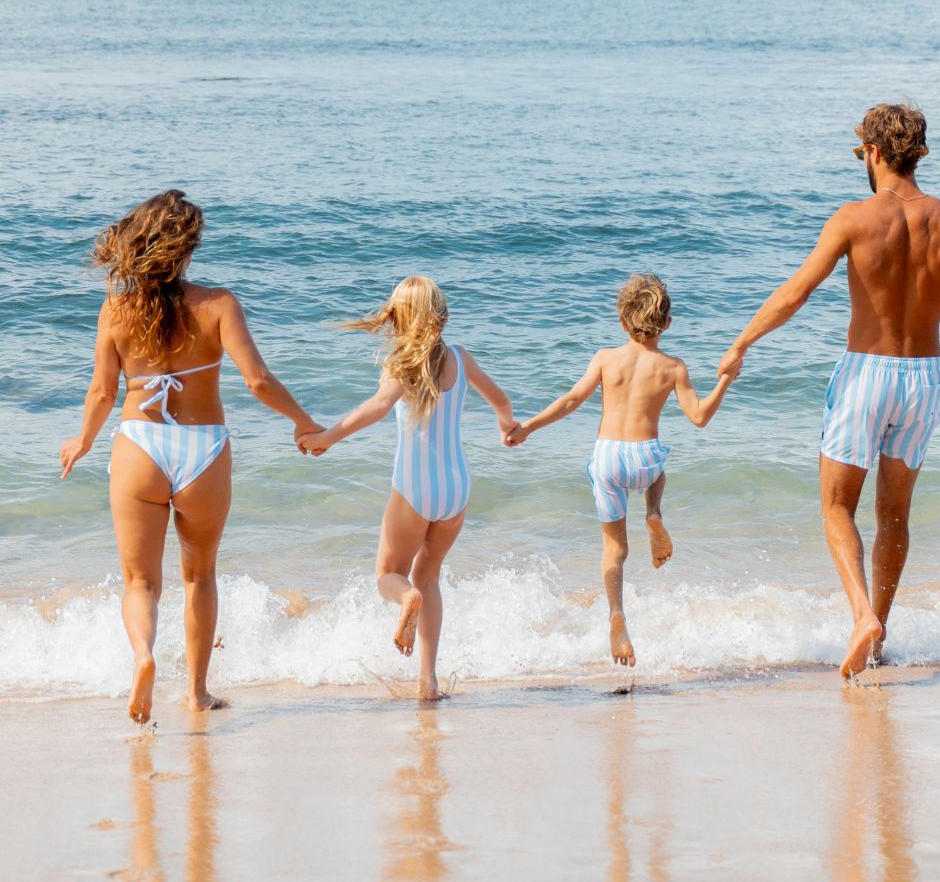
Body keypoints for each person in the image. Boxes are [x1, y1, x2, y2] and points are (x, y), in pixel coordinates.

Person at [718, 104, 940, 679]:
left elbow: (795, 293)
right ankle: (877, 637)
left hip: (866, 375)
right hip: (923, 380)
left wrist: (741, 343)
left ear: (873, 154)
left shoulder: (853, 218)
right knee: (895, 515)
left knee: (836, 506)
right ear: (917, 154)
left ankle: (862, 618)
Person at [60, 190, 321, 723]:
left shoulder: (116, 308)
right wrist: (304, 422)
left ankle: (144, 657)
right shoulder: (219, 304)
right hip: (203, 450)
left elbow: (103, 394)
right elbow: (258, 381)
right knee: (199, 576)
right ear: (187, 247)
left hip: (139, 445)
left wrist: (81, 440)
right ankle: (197, 693)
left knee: (140, 582)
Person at [298, 276, 518, 701]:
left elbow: (376, 408)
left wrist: (327, 436)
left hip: (415, 486)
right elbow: (502, 401)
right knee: (430, 575)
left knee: (390, 575)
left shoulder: (402, 362)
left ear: (400, 316)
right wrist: (506, 426)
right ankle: (428, 681)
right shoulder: (460, 358)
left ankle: (406, 600)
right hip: (456, 488)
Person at [507, 274, 736, 668]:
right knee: (658, 467)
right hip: (644, 456)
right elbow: (699, 417)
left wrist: (527, 426)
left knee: (615, 549)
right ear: (666, 322)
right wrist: (726, 381)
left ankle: (616, 615)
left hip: (608, 457)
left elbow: (571, 401)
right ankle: (654, 511)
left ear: (621, 320)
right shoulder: (673, 367)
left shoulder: (605, 358)